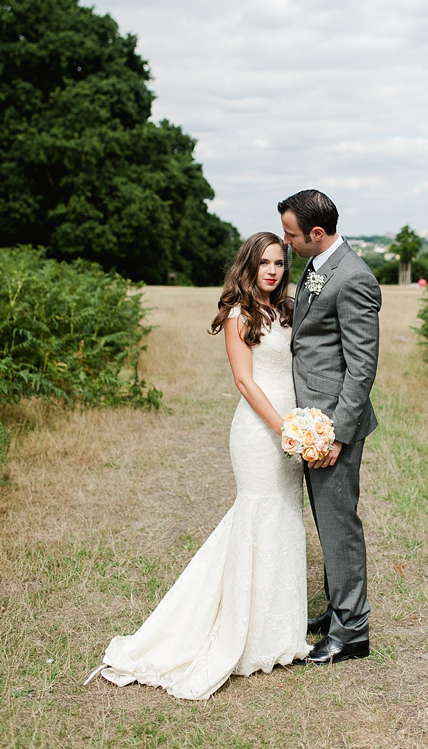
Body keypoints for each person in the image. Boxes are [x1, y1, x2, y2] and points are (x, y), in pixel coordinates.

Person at [84, 232, 309, 699]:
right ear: (248, 265)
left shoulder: (286, 311)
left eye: (280, 263)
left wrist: (303, 426)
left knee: (285, 518)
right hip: (259, 431)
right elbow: (245, 383)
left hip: (293, 427)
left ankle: (278, 631)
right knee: (257, 516)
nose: (273, 270)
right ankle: (234, 630)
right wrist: (285, 428)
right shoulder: (238, 314)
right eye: (265, 262)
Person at [278, 189, 381, 665]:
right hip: (312, 417)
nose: (286, 241)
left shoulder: (355, 277)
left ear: (316, 234)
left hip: (333, 424)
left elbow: (361, 367)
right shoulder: (317, 265)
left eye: (292, 234)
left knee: (339, 526)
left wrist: (338, 434)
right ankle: (337, 611)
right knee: (326, 521)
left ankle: (352, 632)